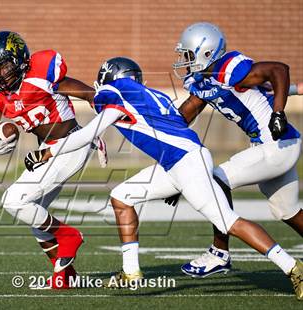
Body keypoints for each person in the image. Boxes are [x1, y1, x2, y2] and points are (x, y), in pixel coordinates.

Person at [24, 56, 303, 299]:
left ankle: (292, 267)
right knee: (122, 196)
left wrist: (48, 152)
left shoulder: (116, 92)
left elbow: (88, 132)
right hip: (180, 162)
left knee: (227, 221)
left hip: (185, 163)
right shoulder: (151, 96)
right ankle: (131, 271)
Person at [171, 22, 302, 278]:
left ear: (206, 52)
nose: (184, 60)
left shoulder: (229, 70)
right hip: (275, 147)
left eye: (188, 54)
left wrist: (278, 112)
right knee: (287, 210)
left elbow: (278, 69)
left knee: (216, 179)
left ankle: (219, 253)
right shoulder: (202, 81)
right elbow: (185, 114)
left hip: (276, 145)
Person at [0, 30, 102, 289]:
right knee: (33, 213)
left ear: (20, 59)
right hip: (47, 150)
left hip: (71, 145)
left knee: (14, 200)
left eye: (5, 66)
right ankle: (66, 276)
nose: (0, 75)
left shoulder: (41, 75)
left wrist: (102, 126)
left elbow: (92, 96)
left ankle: (68, 235)